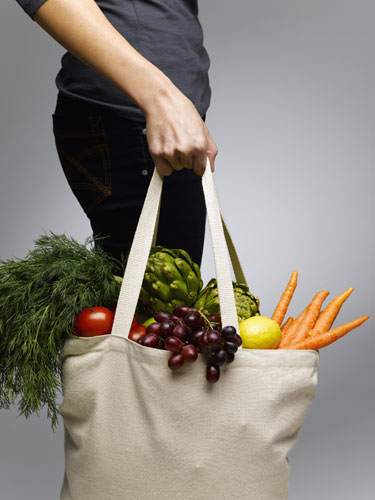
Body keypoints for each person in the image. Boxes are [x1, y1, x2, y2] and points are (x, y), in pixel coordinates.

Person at [15, 0, 218, 266]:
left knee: (165, 297)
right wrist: (160, 99)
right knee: (146, 299)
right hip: (130, 121)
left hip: (171, 122)